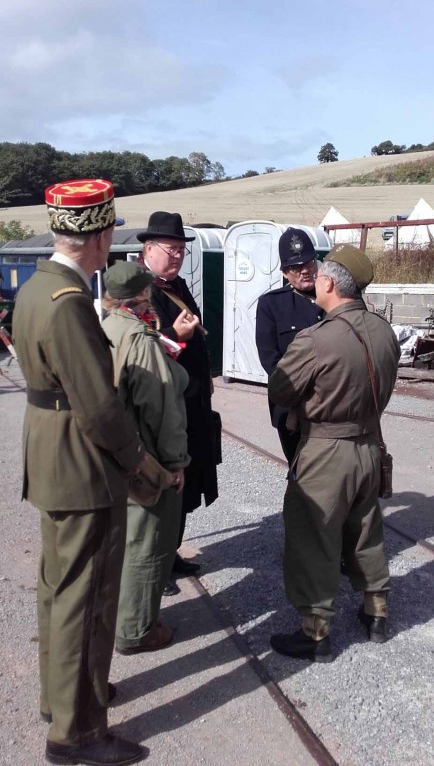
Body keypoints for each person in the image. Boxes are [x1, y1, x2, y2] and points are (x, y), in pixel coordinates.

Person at [12, 180, 145, 766]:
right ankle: (77, 732)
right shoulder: (69, 303)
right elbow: (98, 405)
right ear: (99, 235)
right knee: (85, 601)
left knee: (58, 589)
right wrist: (138, 462)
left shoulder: (39, 287)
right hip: (82, 465)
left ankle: (59, 699)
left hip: (51, 455)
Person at [268, 244, 401, 662]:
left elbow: (280, 388)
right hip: (369, 444)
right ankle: (376, 612)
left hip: (325, 450)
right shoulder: (384, 331)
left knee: (314, 536)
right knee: (366, 530)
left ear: (327, 283)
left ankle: (316, 632)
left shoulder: (316, 339)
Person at [101, 261, 190, 653]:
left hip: (115, 454)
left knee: (123, 542)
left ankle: (122, 617)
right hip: (146, 458)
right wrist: (175, 463)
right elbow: (162, 408)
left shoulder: (104, 328)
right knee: (148, 544)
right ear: (143, 295)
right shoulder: (139, 337)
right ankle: (137, 630)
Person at [137, 212, 219, 588]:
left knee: (186, 489)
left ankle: (170, 557)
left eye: (181, 251)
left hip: (192, 405)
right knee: (163, 492)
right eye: (171, 250)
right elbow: (140, 353)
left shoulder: (176, 286)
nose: (177, 256)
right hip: (165, 408)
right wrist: (175, 334)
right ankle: (154, 570)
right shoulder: (139, 292)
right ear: (148, 249)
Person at [255, 227, 323, 464]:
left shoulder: (333, 299)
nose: (305, 270)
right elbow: (271, 362)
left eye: (309, 263)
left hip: (332, 407)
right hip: (292, 409)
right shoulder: (271, 305)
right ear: (285, 272)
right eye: (296, 267)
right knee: (302, 473)